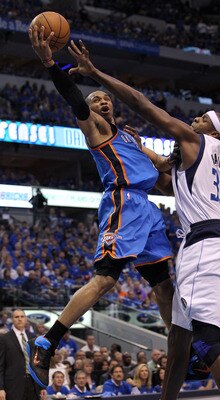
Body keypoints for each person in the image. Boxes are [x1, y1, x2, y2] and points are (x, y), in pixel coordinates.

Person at [59, 39, 220, 400]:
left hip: (204, 242)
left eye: (203, 119)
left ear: (212, 133)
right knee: (179, 335)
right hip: (217, 239)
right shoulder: (215, 159)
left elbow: (142, 105)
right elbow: (160, 175)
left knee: (205, 339)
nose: (195, 119)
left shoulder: (194, 140)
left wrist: (95, 73)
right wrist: (156, 162)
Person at [27, 25, 174, 389]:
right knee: (107, 279)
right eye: (96, 100)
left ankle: (181, 347)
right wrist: (51, 65)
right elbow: (75, 100)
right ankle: (48, 341)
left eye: (105, 98)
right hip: (123, 202)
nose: (102, 101)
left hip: (148, 210)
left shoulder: (130, 136)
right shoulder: (96, 131)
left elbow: (164, 167)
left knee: (163, 283)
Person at [0, 309, 45, 400]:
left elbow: (38, 364)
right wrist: (1, 388)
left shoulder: (33, 337)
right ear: (12, 319)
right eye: (16, 317)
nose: (19, 319)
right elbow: (0, 366)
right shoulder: (4, 339)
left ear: (25, 319)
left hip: (33, 385)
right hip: (13, 386)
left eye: (22, 316)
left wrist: (42, 386)